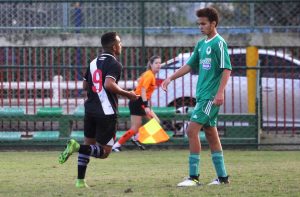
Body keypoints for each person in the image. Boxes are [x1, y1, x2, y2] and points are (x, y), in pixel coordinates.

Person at [161, 7, 232, 186]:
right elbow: (189, 65)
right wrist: (170, 77)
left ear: (213, 23)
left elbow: (227, 69)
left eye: (203, 24)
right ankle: (222, 178)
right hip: (202, 96)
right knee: (210, 133)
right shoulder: (201, 44)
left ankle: (193, 177)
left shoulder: (219, 43)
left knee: (191, 130)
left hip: (210, 97)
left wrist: (220, 92)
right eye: (198, 24)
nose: (200, 27)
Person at [58, 32, 138, 188]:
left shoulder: (93, 62)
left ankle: (80, 181)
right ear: (114, 47)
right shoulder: (115, 64)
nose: (121, 45)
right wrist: (128, 94)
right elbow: (109, 84)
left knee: (89, 145)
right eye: (120, 43)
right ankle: (76, 147)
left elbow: (85, 86)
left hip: (90, 109)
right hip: (106, 112)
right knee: (105, 152)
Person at [112, 55, 162, 152]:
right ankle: (116, 145)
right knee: (136, 127)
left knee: (155, 122)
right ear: (151, 64)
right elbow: (143, 90)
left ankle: (136, 137)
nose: (158, 65)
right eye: (156, 63)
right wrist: (146, 106)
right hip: (137, 102)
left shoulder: (149, 74)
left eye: (160, 63)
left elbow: (140, 81)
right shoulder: (149, 75)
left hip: (140, 102)